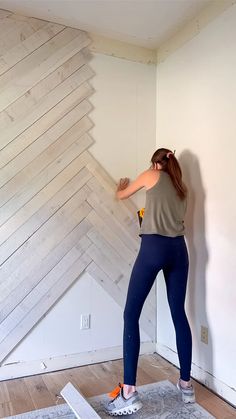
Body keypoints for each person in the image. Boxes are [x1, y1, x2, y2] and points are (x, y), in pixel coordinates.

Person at [105, 148, 195, 416]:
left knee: (131, 314)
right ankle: (186, 385)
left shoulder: (150, 175)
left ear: (156, 164)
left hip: (153, 248)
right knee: (179, 314)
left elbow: (122, 195)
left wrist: (120, 187)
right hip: (179, 251)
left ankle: (128, 392)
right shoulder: (182, 188)